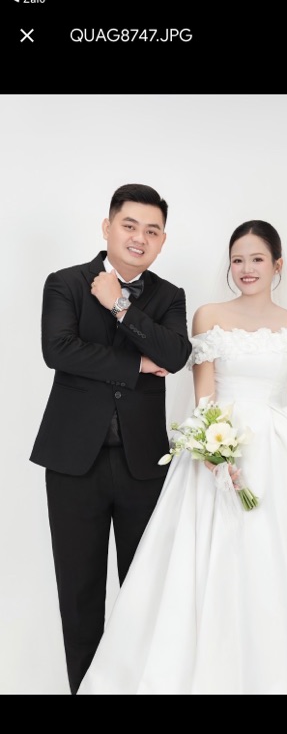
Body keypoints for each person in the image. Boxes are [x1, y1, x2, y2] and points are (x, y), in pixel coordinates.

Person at [76, 219, 287, 695]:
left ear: (277, 265)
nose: (247, 268)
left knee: (285, 558)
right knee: (207, 559)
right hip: (218, 446)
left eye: (257, 259)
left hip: (279, 451)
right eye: (238, 260)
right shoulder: (208, 316)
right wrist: (212, 450)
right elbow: (203, 394)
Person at [30, 183, 192, 695]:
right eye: (130, 225)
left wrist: (120, 305)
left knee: (144, 594)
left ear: (162, 240)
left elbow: (176, 354)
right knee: (79, 595)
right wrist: (137, 364)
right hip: (72, 461)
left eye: (152, 231)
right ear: (107, 227)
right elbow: (59, 350)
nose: (140, 238)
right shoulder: (66, 283)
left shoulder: (169, 296)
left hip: (144, 465)